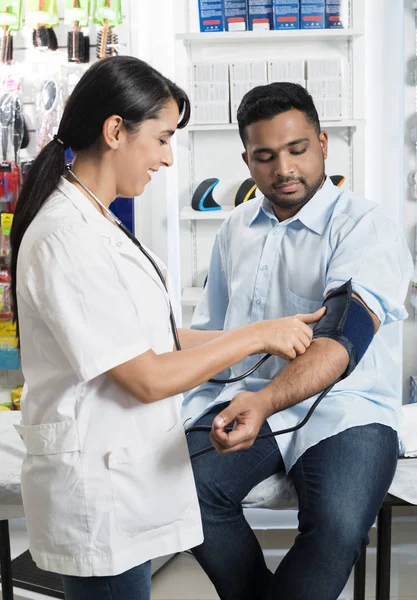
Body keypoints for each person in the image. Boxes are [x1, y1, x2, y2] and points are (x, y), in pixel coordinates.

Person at [10, 59, 324, 600]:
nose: (167, 157)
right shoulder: (67, 238)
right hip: (99, 493)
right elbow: (148, 377)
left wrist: (266, 330)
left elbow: (160, 338)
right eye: (160, 138)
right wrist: (253, 338)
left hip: (123, 486)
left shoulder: (98, 221)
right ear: (115, 131)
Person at [183, 82, 413, 600]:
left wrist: (265, 401)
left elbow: (342, 338)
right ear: (246, 159)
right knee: (184, 493)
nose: (283, 169)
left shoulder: (365, 225)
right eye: (265, 156)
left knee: (336, 527)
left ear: (324, 144)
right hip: (243, 397)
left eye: (297, 150)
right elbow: (217, 335)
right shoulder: (235, 229)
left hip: (347, 407)